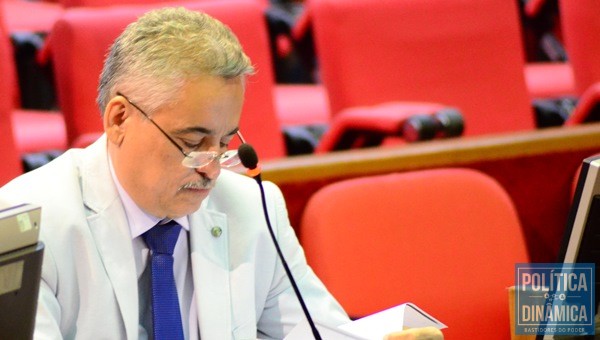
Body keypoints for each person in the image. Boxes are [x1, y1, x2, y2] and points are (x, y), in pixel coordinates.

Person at [0, 7, 442, 340]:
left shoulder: (252, 206)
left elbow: (313, 330)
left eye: (225, 142)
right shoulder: (27, 222)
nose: (212, 169)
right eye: (192, 143)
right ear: (119, 119)